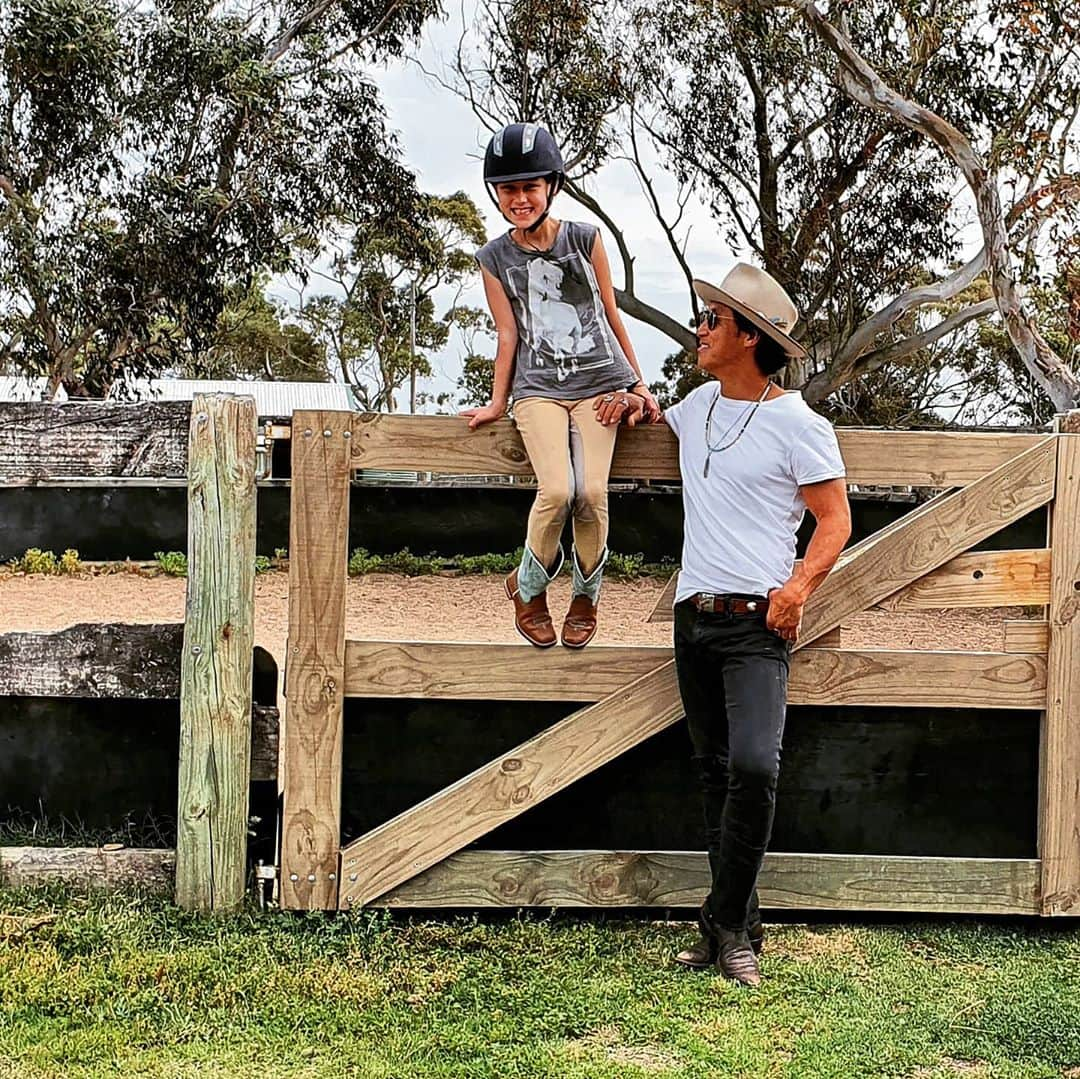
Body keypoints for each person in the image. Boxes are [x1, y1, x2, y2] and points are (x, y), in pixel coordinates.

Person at [660, 263, 851, 986]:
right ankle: (732, 931)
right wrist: (621, 402)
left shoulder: (800, 423)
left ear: (747, 336)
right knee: (714, 775)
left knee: (753, 768)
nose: (701, 329)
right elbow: (647, 413)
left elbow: (835, 519)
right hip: (693, 618)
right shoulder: (694, 406)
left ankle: (728, 923)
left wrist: (799, 586)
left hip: (754, 625)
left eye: (712, 320)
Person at [462, 122, 661, 649]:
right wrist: (497, 401)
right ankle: (529, 591)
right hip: (537, 388)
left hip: (599, 383)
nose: (519, 198)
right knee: (557, 490)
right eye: (508, 189)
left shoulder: (585, 239)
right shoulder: (493, 259)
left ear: (552, 186)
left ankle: (586, 595)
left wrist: (639, 384)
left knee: (592, 493)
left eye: (530, 186)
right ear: (496, 194)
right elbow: (508, 332)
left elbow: (611, 315)